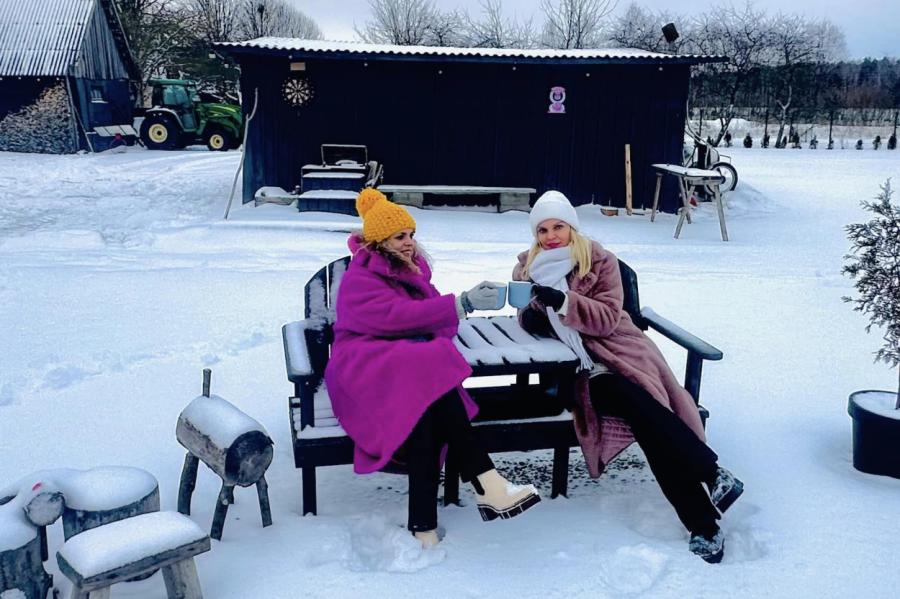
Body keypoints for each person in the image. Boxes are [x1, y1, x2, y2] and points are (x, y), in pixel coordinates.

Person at [512, 191, 744, 563]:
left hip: (622, 352)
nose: (552, 235)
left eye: (559, 226)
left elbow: (605, 319)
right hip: (582, 370)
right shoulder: (527, 268)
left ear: (573, 227)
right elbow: (524, 316)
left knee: (646, 418)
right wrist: (535, 316)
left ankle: (704, 525)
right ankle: (713, 475)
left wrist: (565, 302)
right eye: (543, 229)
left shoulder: (600, 261)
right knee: (639, 408)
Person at [324, 189, 541, 548]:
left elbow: (439, 326)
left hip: (401, 367)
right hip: (361, 367)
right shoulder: (361, 276)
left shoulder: (414, 273)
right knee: (432, 367)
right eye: (399, 237)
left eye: (411, 235)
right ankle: (488, 484)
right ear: (379, 242)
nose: (409, 243)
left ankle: (424, 526)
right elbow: (391, 318)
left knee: (427, 412)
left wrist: (449, 313)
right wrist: (459, 305)